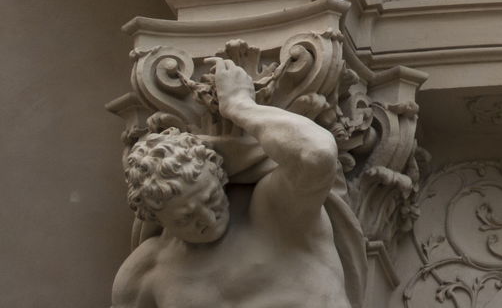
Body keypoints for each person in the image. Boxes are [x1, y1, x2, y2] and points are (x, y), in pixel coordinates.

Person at [112, 58, 350, 308]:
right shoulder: (146, 273)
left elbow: (318, 153)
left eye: (211, 198)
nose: (207, 218)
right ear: (157, 218)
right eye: (185, 218)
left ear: (220, 176)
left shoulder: (273, 212)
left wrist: (240, 106)